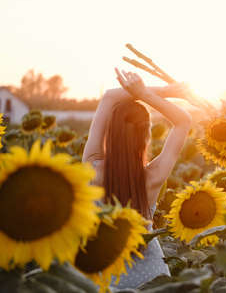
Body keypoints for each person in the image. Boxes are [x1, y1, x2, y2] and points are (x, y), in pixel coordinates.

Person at [82, 68, 207, 289]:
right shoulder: (154, 176)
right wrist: (146, 94)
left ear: (110, 133)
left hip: (104, 277)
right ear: (146, 135)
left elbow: (109, 97)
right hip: (152, 279)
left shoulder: (91, 168)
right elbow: (183, 121)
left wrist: (164, 90)